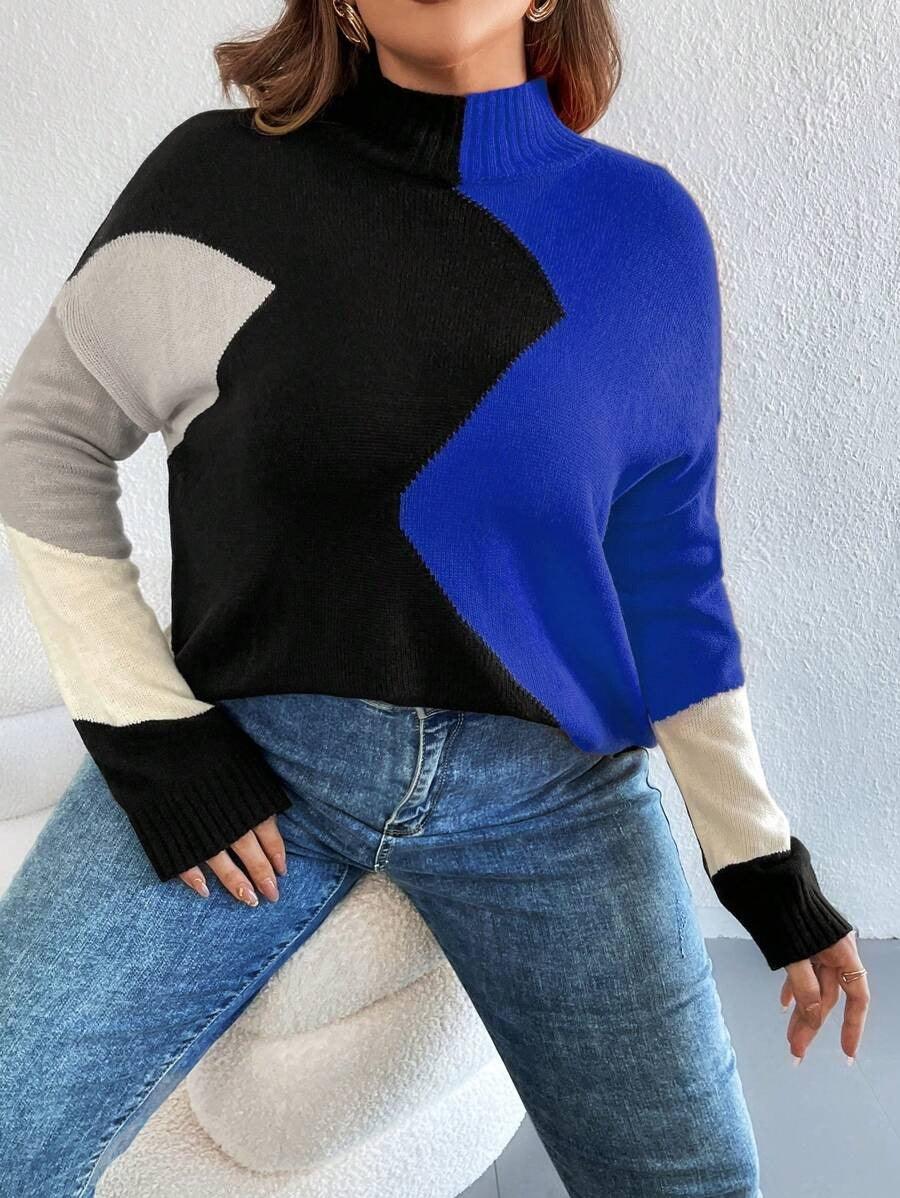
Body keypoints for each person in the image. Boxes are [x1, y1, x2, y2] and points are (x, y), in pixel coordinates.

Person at [0, 1, 869, 1195]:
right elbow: (43, 435)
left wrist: (761, 862)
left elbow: (667, 561)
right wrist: (151, 734)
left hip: (552, 798)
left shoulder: (644, 229)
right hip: (254, 760)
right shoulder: (217, 182)